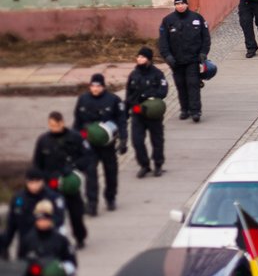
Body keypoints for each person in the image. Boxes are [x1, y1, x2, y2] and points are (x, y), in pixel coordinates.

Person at [32, 111, 90, 249]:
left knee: (76, 214)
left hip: (70, 183)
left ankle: (80, 237)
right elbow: (37, 163)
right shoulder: (43, 140)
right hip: (51, 185)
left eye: (56, 125)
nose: (54, 128)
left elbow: (86, 156)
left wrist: (74, 168)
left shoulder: (75, 137)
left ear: (62, 123)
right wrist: (41, 180)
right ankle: (55, 241)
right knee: (54, 215)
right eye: (51, 125)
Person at [73, 73, 126, 214]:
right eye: (93, 86)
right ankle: (92, 203)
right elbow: (77, 123)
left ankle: (110, 198)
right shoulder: (83, 99)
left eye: (98, 86)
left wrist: (123, 139)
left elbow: (121, 121)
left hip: (107, 145)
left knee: (111, 172)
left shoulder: (113, 100)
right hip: (89, 145)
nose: (95, 89)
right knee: (90, 174)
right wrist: (75, 142)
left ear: (103, 86)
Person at [158, 0, 210, 122]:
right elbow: (163, 41)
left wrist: (203, 53)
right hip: (176, 61)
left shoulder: (197, 18)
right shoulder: (168, 20)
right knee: (181, 85)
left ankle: (195, 111)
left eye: (182, 3)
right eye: (177, 4)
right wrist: (167, 56)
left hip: (193, 59)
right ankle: (184, 109)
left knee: (193, 84)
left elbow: (205, 37)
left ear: (187, 4)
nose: (180, 6)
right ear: (175, 5)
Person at [1, 169, 65, 261]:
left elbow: (59, 219)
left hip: (47, 244)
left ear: (42, 181)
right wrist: (4, 245)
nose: (34, 185)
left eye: (37, 182)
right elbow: (12, 223)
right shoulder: (19, 199)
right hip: (25, 245)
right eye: (31, 182)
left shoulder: (53, 198)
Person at [125, 47, 168, 178]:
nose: (139, 59)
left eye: (143, 57)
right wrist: (125, 111)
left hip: (153, 112)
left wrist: (148, 96)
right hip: (137, 112)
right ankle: (144, 165)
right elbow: (129, 94)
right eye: (138, 57)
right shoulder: (134, 75)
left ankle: (158, 164)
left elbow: (163, 91)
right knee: (137, 141)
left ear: (149, 59)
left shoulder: (157, 74)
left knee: (157, 140)